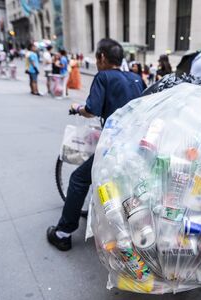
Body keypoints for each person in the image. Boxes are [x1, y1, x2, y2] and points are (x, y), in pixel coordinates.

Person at [46, 38, 145, 251]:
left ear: (101, 57)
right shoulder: (137, 78)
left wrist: (77, 107)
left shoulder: (104, 76)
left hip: (115, 146)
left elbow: (92, 109)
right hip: (138, 145)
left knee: (78, 179)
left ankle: (63, 232)